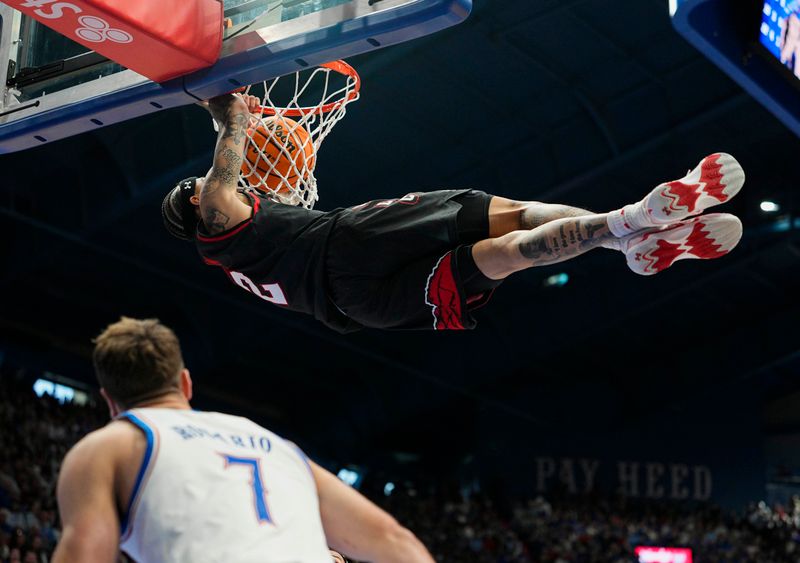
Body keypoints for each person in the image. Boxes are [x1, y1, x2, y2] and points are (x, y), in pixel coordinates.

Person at [162, 94, 744, 332]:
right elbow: (221, 176)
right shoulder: (215, 215)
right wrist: (227, 108)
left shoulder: (237, 253)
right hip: (346, 244)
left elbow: (235, 180)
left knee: (503, 258)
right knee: (511, 216)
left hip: (365, 311)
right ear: (194, 198)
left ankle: (627, 238)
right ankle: (630, 225)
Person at [52, 317, 433, 563]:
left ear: (109, 402)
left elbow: (87, 553)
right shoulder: (275, 444)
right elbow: (395, 541)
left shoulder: (108, 447)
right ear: (185, 382)